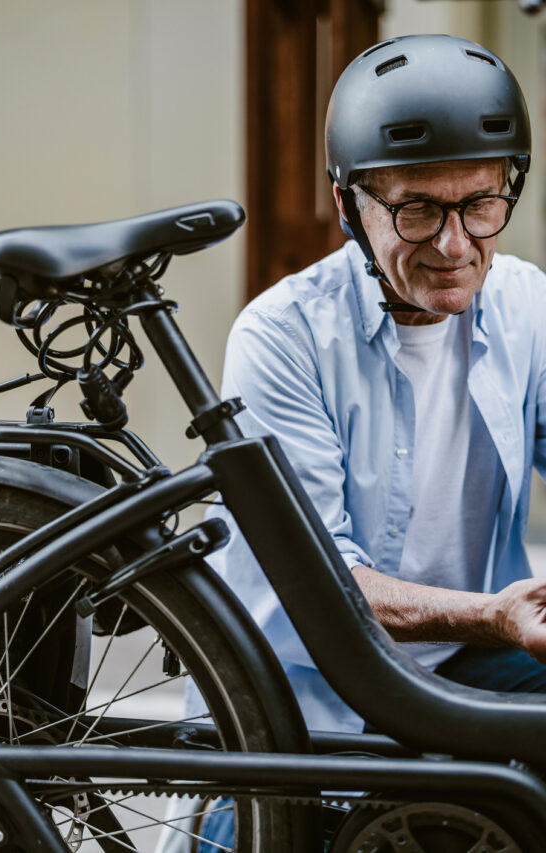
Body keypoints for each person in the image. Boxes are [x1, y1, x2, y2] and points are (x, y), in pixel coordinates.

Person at [162, 33, 546, 853]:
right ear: (350, 203)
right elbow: (323, 587)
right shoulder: (283, 335)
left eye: (479, 203)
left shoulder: (524, 303)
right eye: (417, 209)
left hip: (464, 672)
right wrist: (498, 616)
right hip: (308, 700)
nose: (454, 246)